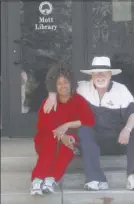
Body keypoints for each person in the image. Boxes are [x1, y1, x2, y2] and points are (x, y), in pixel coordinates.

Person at [44, 56, 134, 191]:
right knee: (85, 129)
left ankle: (133, 177)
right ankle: (95, 179)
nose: (100, 76)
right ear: (91, 74)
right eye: (97, 73)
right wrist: (51, 94)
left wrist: (127, 129)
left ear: (110, 74)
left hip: (118, 142)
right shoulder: (81, 88)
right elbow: (57, 75)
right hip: (90, 143)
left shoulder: (121, 90)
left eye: (104, 73)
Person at [30, 63, 95, 196]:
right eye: (59, 83)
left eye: (66, 82)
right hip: (47, 137)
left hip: (69, 137)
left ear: (71, 83)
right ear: (54, 86)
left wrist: (67, 126)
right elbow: (44, 126)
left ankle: (51, 180)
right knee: (50, 144)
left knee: (69, 143)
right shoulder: (49, 102)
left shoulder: (78, 100)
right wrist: (61, 135)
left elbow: (89, 120)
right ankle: (36, 181)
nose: (63, 86)